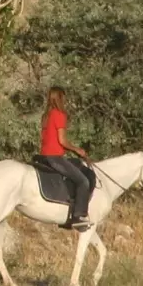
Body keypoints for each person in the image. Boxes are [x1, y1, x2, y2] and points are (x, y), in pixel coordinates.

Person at [39, 86, 92, 230]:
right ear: (61, 98)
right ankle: (77, 217)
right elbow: (62, 141)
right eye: (64, 98)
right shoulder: (59, 115)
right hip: (55, 157)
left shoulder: (46, 116)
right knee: (83, 181)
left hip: (43, 156)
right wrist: (78, 150)